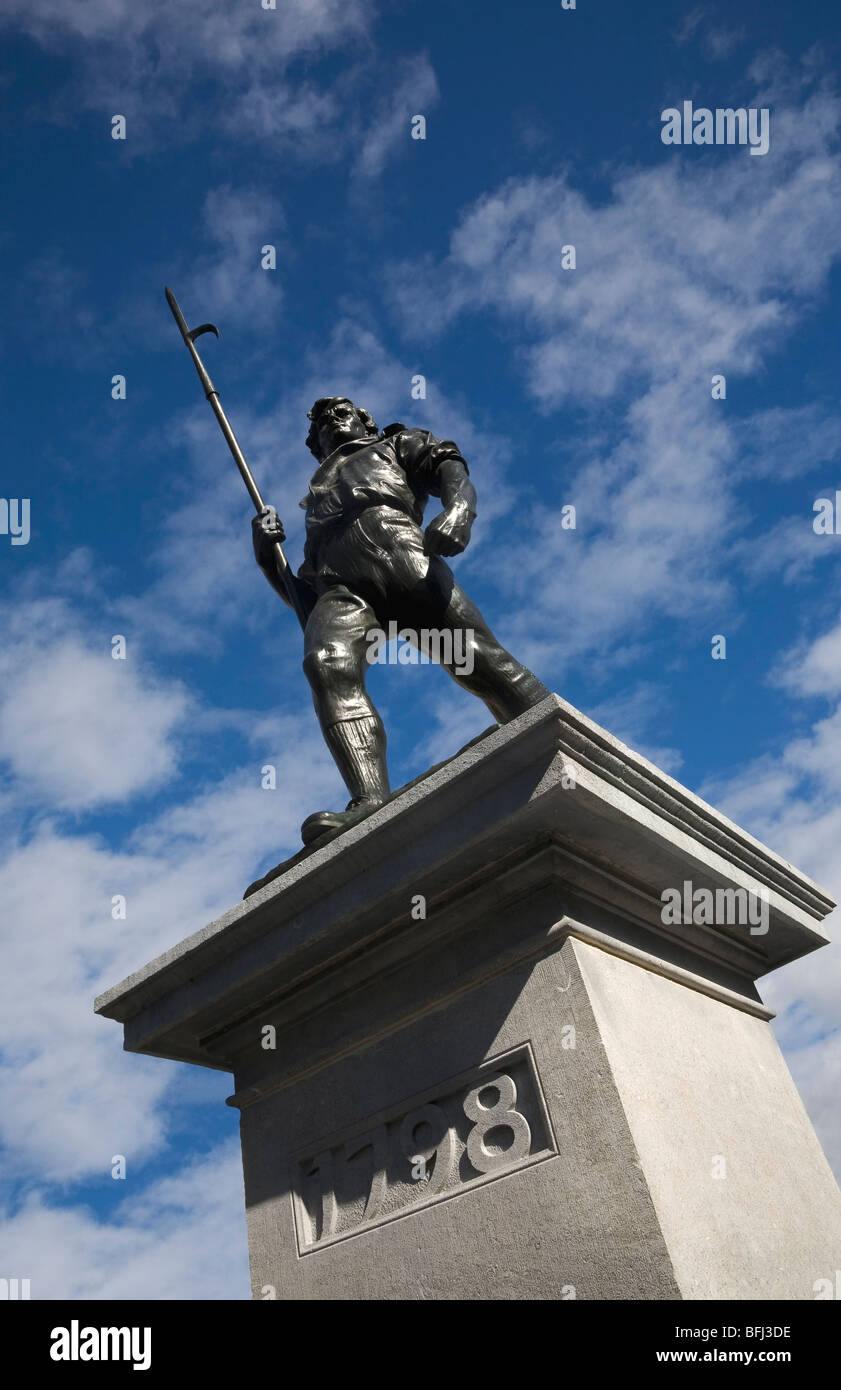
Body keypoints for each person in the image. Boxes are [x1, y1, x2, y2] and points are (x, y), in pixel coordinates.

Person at [252, 396, 549, 844]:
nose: (330, 424)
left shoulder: (394, 444)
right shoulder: (315, 499)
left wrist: (460, 512)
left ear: (363, 419)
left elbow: (449, 467)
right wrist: (269, 562)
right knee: (325, 662)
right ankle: (369, 800)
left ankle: (556, 736)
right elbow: (304, 601)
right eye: (319, 425)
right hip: (340, 588)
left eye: (340, 412)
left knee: (477, 660)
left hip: (403, 558)